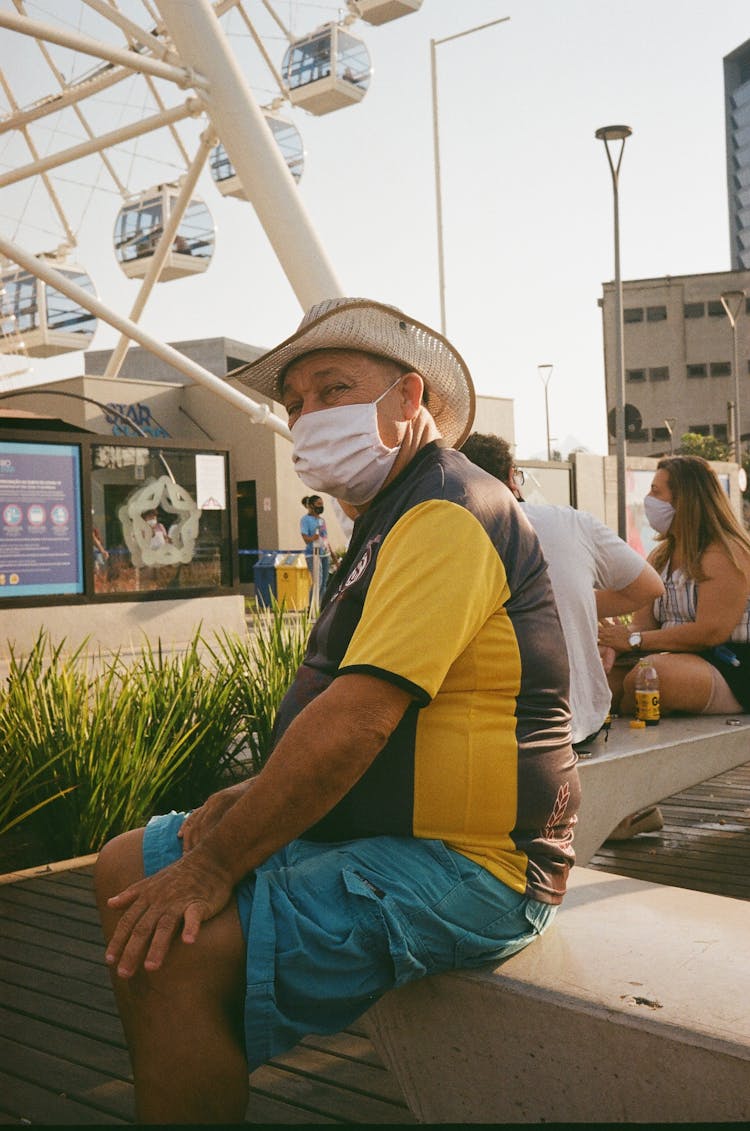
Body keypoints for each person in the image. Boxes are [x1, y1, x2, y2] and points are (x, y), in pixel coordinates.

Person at [94, 297, 579, 1124]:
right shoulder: (390, 516)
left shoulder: (446, 512)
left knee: (182, 949)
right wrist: (251, 801)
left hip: (479, 866)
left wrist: (215, 867)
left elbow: (359, 719)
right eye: (296, 403)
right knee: (125, 864)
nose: (309, 415)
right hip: (388, 832)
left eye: (333, 389)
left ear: (407, 399)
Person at [461, 432, 664, 747]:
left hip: (494, 735)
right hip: (581, 722)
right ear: (513, 477)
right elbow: (649, 586)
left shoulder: (452, 533)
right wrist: (571, 602)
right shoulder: (570, 522)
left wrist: (570, 603)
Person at [599, 454, 750, 717]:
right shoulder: (661, 556)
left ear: (686, 500)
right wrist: (614, 640)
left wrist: (636, 640)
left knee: (649, 677)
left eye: (656, 492)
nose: (648, 499)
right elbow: (643, 624)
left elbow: (710, 632)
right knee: (598, 681)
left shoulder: (725, 553)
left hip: (731, 664)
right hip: (676, 657)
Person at [299, 494, 336, 602]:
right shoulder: (305, 520)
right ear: (311, 505)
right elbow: (305, 538)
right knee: (317, 581)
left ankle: (321, 606)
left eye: (322, 504)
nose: (321, 506)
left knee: (324, 582)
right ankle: (312, 607)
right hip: (313, 554)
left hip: (325, 553)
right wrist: (312, 538)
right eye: (318, 504)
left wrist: (333, 557)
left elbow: (325, 539)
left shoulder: (321, 520)